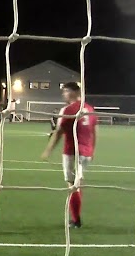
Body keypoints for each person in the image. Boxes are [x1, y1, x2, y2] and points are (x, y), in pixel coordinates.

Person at [41, 82, 97, 229]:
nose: (63, 94)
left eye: (65, 91)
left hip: (72, 152)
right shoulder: (89, 108)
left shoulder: (67, 109)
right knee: (79, 184)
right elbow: (94, 132)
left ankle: (76, 220)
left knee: (72, 186)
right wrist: (93, 150)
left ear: (73, 92)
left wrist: (48, 150)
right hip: (87, 152)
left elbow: (59, 132)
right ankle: (76, 217)